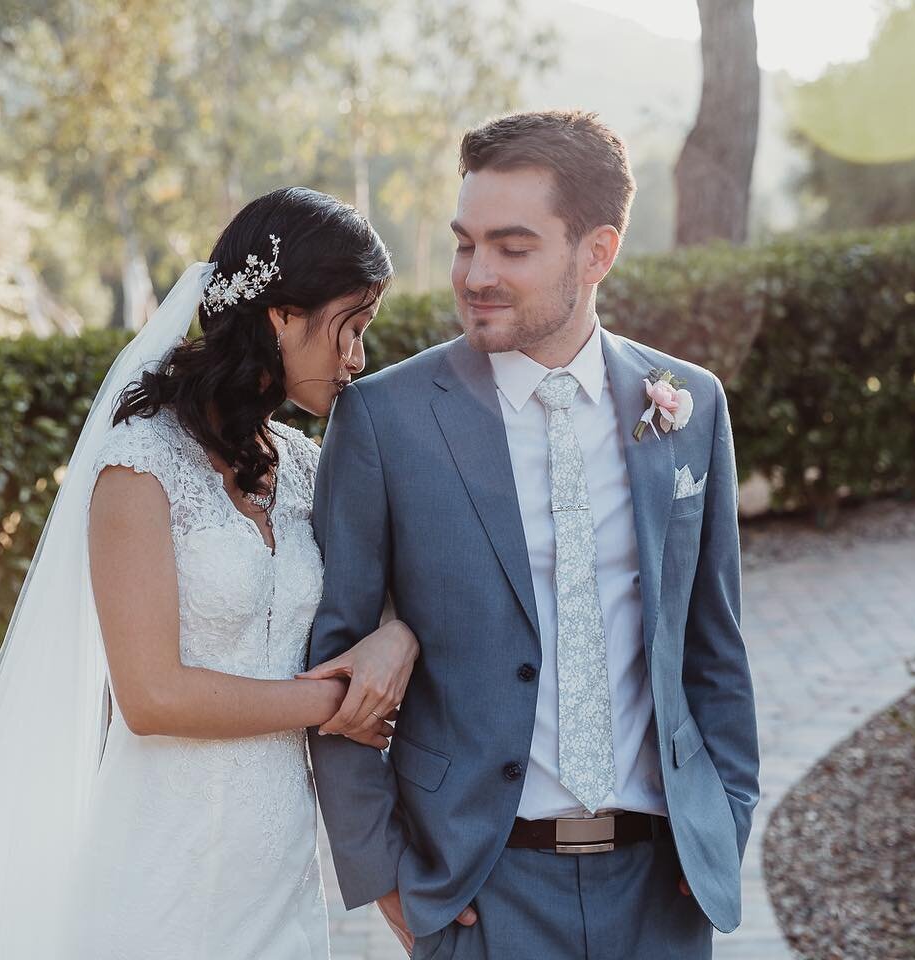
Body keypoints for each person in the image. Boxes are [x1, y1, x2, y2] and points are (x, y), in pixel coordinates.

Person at [0, 186, 417, 960]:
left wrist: (395, 638)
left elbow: (392, 595)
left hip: (281, 874)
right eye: (350, 327)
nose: (357, 359)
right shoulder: (139, 465)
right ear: (282, 315)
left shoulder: (305, 470)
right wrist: (333, 702)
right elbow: (151, 695)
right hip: (163, 873)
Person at [308, 110, 761, 959]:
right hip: (480, 891)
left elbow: (713, 643)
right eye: (464, 243)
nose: (475, 274)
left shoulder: (688, 405)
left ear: (597, 253)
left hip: (662, 891)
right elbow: (334, 656)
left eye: (513, 249)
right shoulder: (385, 420)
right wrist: (387, 879)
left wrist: (724, 819)